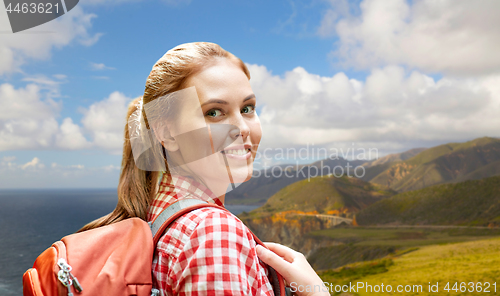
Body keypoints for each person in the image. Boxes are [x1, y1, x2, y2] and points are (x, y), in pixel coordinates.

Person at [80, 42, 329, 296]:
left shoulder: (152, 216)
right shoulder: (213, 233)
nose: (242, 128)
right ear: (167, 133)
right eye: (214, 113)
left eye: (247, 108)